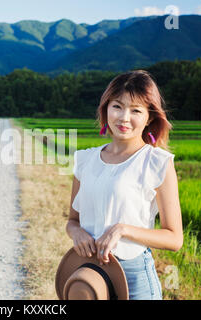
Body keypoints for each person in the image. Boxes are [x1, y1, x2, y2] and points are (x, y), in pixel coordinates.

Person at [66, 70, 183, 300]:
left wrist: (123, 229)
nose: (124, 117)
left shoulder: (157, 163)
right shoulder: (84, 160)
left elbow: (174, 239)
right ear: (105, 108)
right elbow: (72, 221)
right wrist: (77, 233)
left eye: (136, 110)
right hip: (90, 275)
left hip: (134, 277)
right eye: (117, 106)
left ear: (149, 117)